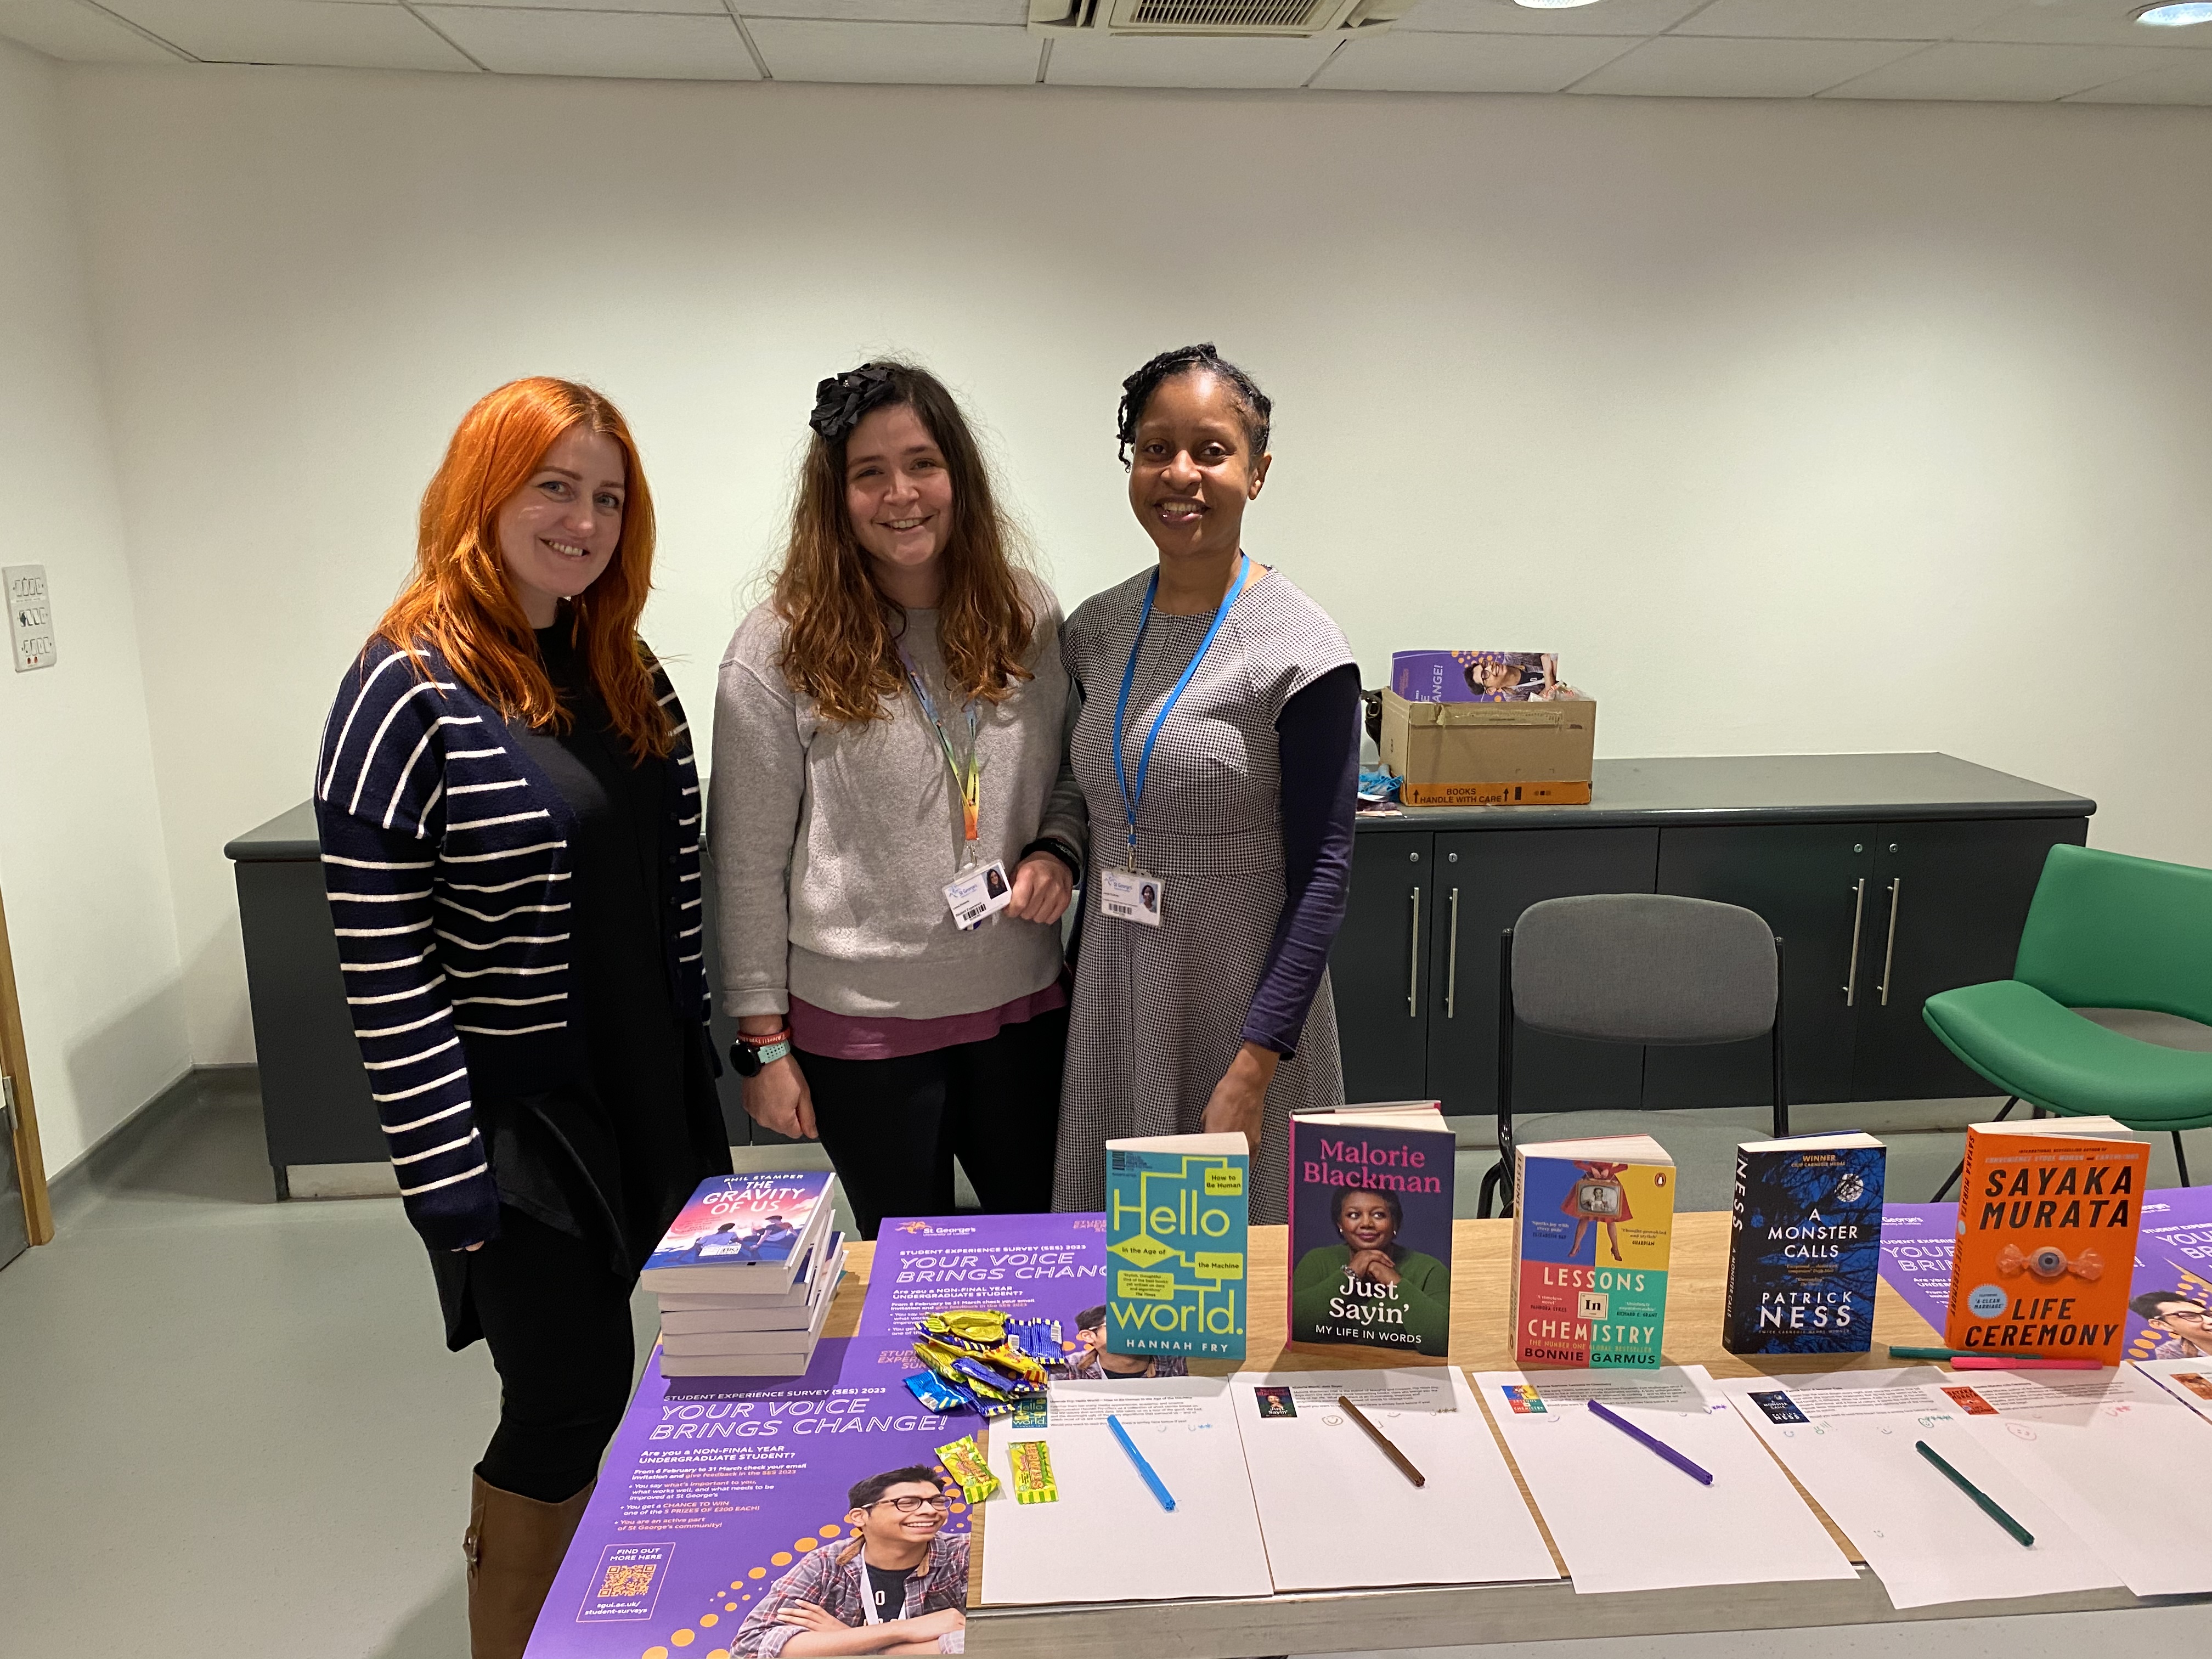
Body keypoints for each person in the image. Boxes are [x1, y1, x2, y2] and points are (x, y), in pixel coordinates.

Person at [314, 378, 732, 1657]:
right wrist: (443, 1182)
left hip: (648, 1090)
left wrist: (705, 1065)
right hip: (519, 1126)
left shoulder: (625, 665)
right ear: (483, 491)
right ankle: (516, 1636)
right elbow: (384, 970)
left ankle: (686, 1611)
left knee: (717, 1371)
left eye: (608, 495)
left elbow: (671, 888)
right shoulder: (404, 684)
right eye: (554, 484)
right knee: (568, 1391)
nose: (584, 518)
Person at [714, 362, 1083, 1240]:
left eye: (921, 463)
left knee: (1046, 1255)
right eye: (869, 473)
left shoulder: (1025, 616)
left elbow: (1072, 774)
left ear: (959, 473)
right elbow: (747, 863)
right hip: (863, 1035)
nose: (900, 494)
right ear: (835, 497)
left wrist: (1056, 851)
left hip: (1021, 1009)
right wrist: (764, 1047)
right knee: (910, 1276)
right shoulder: (778, 647)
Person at [1054, 343, 1361, 1225]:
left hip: (1245, 998)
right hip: (1118, 979)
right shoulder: (1097, 630)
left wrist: (1258, 1059)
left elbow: (1325, 876)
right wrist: (1053, 853)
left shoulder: (1303, 651)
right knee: (1122, 1266)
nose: (1179, 473)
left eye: (1211, 451)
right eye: (1155, 449)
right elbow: (1083, 784)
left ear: (1257, 472)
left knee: (1247, 1259)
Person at [732, 1467, 968, 1656]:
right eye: (907, 1503)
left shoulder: (966, 1553)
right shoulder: (826, 1564)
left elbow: (980, 1643)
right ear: (860, 1517)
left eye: (937, 1501)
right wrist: (902, 1631)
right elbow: (750, 1646)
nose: (929, 1511)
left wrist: (844, 1641)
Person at [1290, 1186, 1449, 1352]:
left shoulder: (1430, 1269)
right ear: (1340, 1224)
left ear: (1395, 1223)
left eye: (1378, 1215)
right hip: (1326, 1369)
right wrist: (1351, 1273)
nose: (1366, 1224)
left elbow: (1441, 1343)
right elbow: (1296, 1329)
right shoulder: (1317, 1261)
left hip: (1402, 1373)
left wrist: (1394, 1281)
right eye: (1354, 1215)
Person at [1061, 1305, 1188, 1380]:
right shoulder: (1069, 1369)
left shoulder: (1176, 1362)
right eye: (1120, 1323)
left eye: (1140, 1322)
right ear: (1089, 1336)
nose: (1134, 1329)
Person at [2132, 1290, 2212, 1359]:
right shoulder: (2171, 1353)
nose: (2210, 1320)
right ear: (2161, 1324)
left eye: (2209, 1314)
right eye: (2190, 1316)